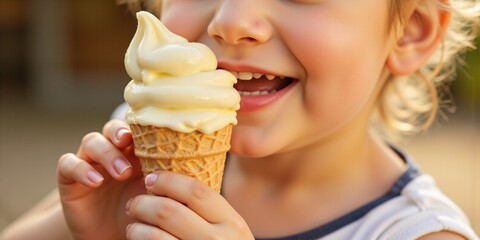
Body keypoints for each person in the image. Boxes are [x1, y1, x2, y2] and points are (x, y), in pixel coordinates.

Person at [1, 0, 479, 239]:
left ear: (410, 33)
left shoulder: (417, 234)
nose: (230, 20)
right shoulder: (137, 136)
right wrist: (76, 230)